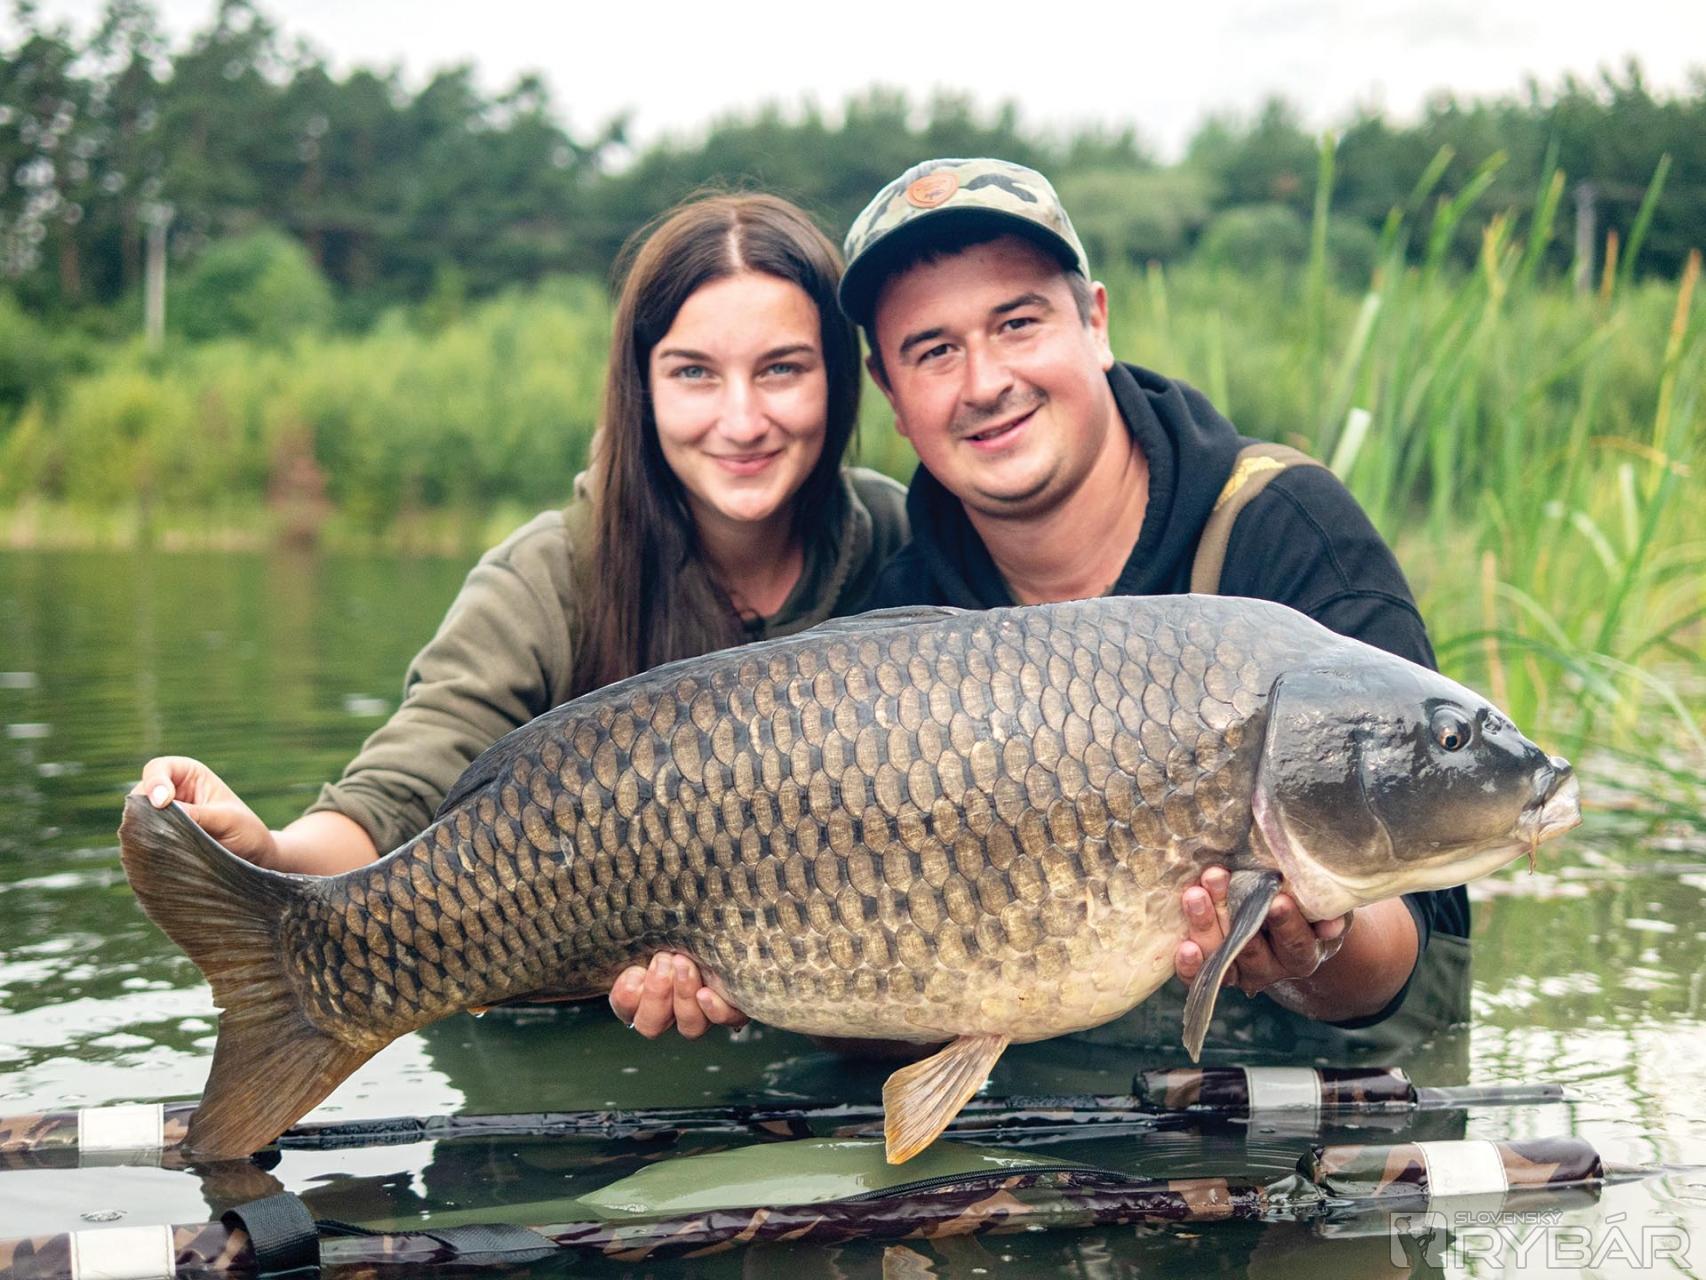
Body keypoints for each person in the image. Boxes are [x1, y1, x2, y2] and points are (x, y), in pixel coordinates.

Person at [620, 159, 1468, 1053]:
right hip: (1035, 1090)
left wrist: (1313, 948)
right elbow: (883, 1009)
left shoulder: (1284, 529)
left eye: (1017, 324)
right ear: (892, 396)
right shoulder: (900, 616)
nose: (985, 381)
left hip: (1318, 1089)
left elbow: (1429, 935)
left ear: (1094, 322)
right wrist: (754, 976)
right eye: (934, 351)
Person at [135, 193, 909, 1040]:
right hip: (551, 1033)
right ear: (642, 388)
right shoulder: (546, 574)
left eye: (782, 369)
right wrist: (275, 858)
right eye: (694, 372)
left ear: (840, 380)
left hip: (835, 1024)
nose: (742, 419)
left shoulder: (898, 539)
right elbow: (404, 792)